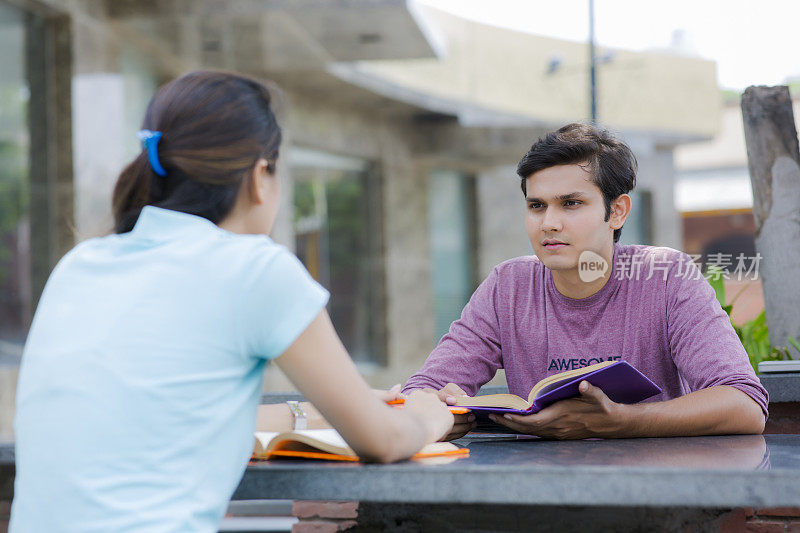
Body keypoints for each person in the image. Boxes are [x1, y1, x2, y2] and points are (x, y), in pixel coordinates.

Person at [10, 71, 453, 532]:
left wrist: (311, 410)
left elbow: (167, 409)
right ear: (261, 176)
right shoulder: (255, 269)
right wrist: (427, 415)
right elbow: (381, 442)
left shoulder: (81, 263)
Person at [403, 122, 768, 441]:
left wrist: (619, 422)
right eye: (537, 206)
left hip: (656, 492)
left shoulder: (668, 277)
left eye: (571, 203)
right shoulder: (508, 285)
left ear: (618, 211)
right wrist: (440, 411)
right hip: (536, 489)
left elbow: (744, 404)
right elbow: (422, 389)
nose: (548, 223)